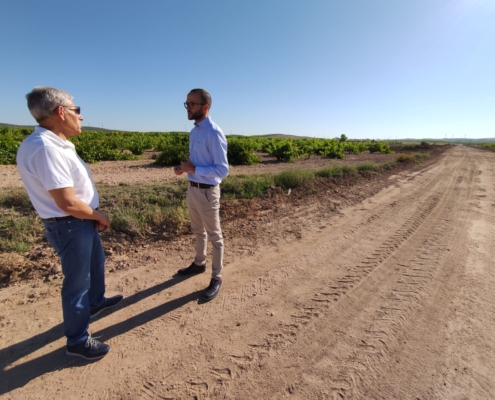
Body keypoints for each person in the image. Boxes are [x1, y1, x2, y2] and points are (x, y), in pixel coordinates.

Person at [16, 87, 123, 361]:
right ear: (61, 112)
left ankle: (95, 303)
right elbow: (67, 203)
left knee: (95, 263)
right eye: (77, 110)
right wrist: (99, 216)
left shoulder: (54, 143)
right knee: (77, 282)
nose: (81, 116)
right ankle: (77, 340)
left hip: (78, 221)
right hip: (70, 223)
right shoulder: (45, 149)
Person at [174, 89, 229, 301]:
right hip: (193, 189)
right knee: (198, 230)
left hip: (208, 193)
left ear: (205, 107)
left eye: (192, 104)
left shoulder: (214, 133)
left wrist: (194, 170)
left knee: (215, 236)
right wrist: (185, 169)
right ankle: (199, 263)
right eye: (186, 104)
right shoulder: (195, 131)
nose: (188, 108)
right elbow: (196, 165)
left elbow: (222, 170)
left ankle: (217, 277)